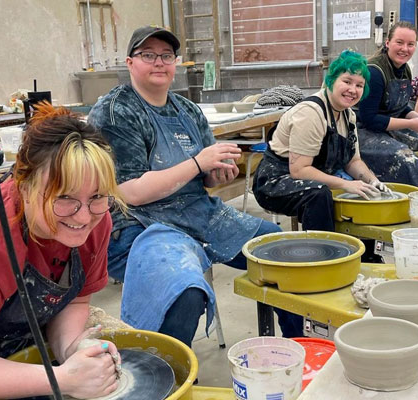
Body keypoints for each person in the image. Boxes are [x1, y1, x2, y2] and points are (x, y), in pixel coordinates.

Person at [88, 26, 303, 347]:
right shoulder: (116, 112)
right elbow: (128, 191)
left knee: (285, 254)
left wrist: (217, 173)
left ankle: (298, 347)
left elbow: (205, 176)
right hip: (138, 225)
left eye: (166, 56)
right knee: (183, 294)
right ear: (130, 63)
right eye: (148, 55)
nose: (159, 62)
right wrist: (200, 163)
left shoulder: (186, 110)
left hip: (198, 214)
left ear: (176, 63)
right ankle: (168, 377)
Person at [0, 103, 125, 399]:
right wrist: (61, 379)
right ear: (23, 186)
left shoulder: (94, 220)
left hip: (21, 339)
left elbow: (75, 303)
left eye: (97, 197)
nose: (82, 217)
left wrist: (71, 350)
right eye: (64, 198)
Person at [252, 50, 387, 261]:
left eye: (359, 85)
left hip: (315, 174)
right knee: (320, 194)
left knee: (365, 191)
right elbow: (299, 170)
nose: (353, 90)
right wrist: (345, 185)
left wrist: (373, 181)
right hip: (275, 180)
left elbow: (353, 161)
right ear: (332, 80)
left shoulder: (347, 114)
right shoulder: (311, 113)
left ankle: (365, 257)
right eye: (347, 81)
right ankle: (322, 259)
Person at [358, 21, 418, 190]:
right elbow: (369, 118)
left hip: (388, 128)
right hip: (363, 131)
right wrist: (411, 124)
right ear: (388, 43)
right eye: (399, 42)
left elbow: (399, 107)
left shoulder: (405, 68)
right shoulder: (374, 71)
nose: (405, 49)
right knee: (407, 159)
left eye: (410, 44)